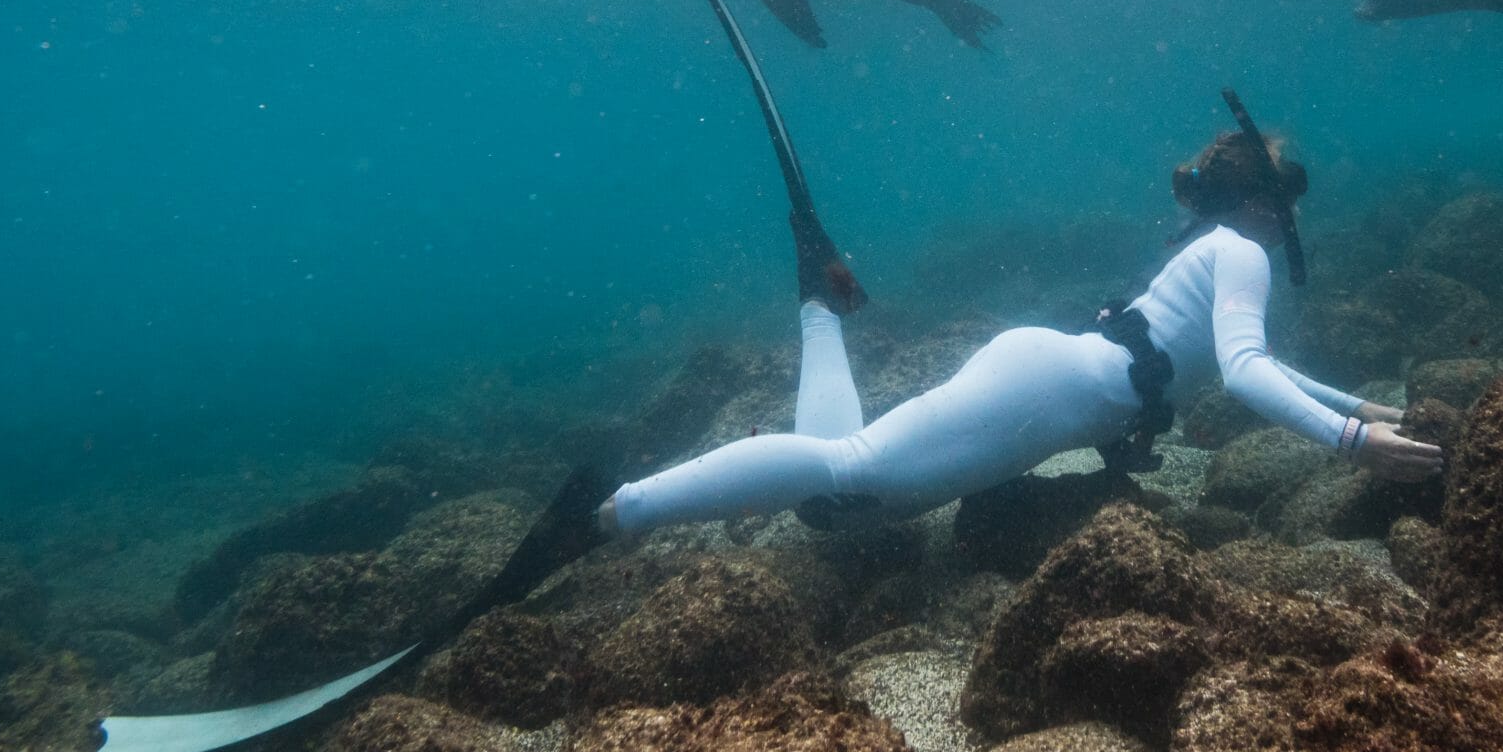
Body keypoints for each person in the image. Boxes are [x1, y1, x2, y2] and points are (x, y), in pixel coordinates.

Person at [598, 107, 1443, 537]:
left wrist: (1359, 407)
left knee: (839, 506)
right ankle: (624, 512)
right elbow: (1248, 369)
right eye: (1289, 202)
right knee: (849, 473)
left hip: (1046, 379)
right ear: (1264, 201)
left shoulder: (1221, 248)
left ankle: (820, 308)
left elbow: (1241, 359)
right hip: (1046, 391)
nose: (1291, 221)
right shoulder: (1245, 250)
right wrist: (1352, 442)